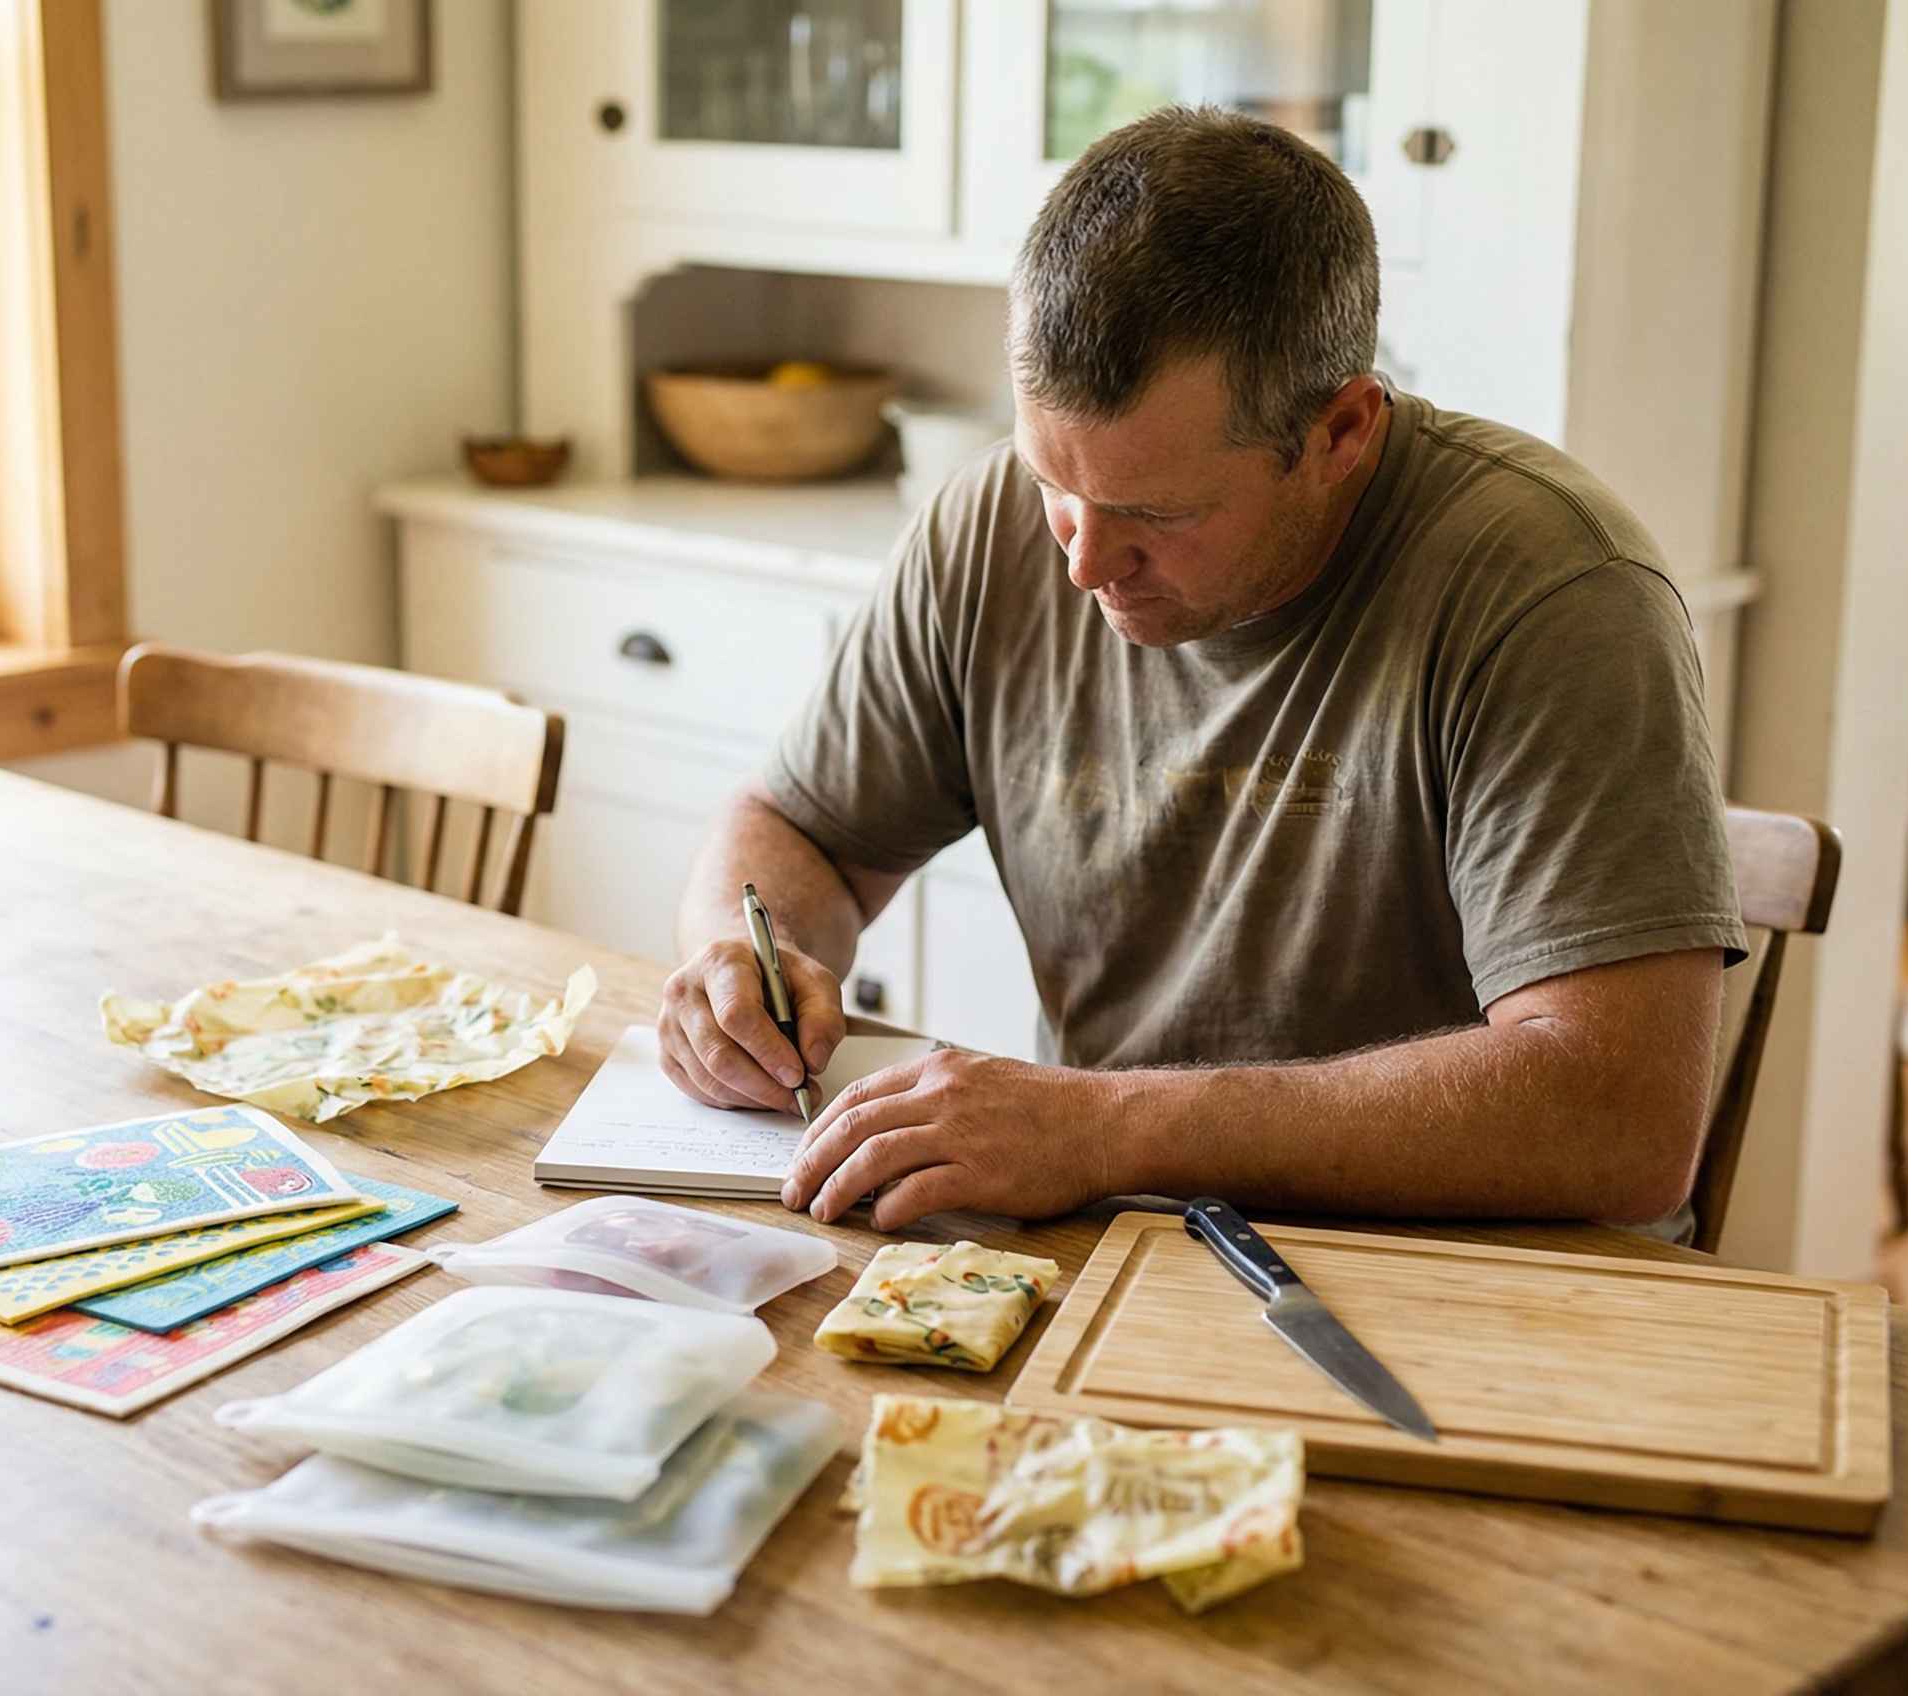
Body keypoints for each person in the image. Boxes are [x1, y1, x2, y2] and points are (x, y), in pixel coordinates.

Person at [657, 106, 1747, 1236]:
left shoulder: (1549, 590)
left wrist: (1108, 1126)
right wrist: (748, 955)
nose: (1081, 558)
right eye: (1050, 480)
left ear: (1342, 433)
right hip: (1117, 1243)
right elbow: (800, 828)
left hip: (1462, 1286)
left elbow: (1620, 1120)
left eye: (1153, 512)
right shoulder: (987, 527)